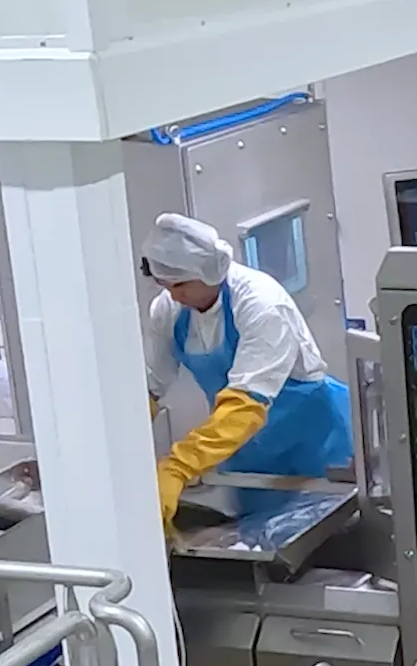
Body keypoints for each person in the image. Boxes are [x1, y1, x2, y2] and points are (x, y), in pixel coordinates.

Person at [140, 213, 351, 529]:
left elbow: (245, 404)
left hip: (316, 446)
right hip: (249, 452)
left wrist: (179, 465)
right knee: (261, 544)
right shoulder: (168, 311)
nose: (173, 294)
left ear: (208, 273)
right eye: (164, 285)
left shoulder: (260, 304)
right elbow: (152, 387)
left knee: (332, 537)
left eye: (180, 284)